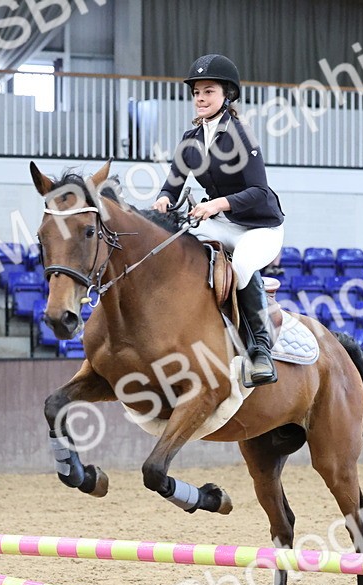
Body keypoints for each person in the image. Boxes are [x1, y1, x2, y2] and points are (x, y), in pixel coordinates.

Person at [152, 54, 285, 385]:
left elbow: (258, 190)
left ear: (227, 95)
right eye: (196, 91)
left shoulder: (242, 135)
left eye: (208, 91)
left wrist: (216, 205)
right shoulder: (191, 139)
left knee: (240, 264)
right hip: (222, 222)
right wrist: (164, 198)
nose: (200, 97)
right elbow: (174, 182)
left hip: (260, 226)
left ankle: (260, 351)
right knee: (176, 245)